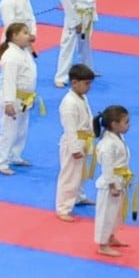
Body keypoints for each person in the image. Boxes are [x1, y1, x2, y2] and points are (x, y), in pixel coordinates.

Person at [0, 22, 40, 176]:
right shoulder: (11, 56)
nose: (29, 36)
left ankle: (15, 155)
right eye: (25, 33)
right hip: (13, 99)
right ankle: (1, 162)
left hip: (25, 98)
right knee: (8, 131)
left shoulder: (24, 51)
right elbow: (9, 81)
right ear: (14, 36)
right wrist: (8, 103)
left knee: (21, 130)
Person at [55, 63, 97, 222]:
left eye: (89, 83)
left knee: (80, 174)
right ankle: (63, 208)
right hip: (73, 142)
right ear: (74, 82)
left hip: (84, 140)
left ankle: (78, 196)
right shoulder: (69, 103)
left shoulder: (82, 97)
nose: (89, 87)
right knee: (69, 176)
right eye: (86, 83)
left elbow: (88, 118)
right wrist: (74, 148)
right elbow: (70, 128)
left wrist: (94, 132)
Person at [92, 104, 133, 257]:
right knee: (106, 215)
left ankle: (110, 236)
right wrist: (112, 185)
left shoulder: (117, 136)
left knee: (116, 214)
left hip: (120, 180)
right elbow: (107, 168)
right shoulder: (107, 144)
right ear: (114, 125)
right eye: (126, 122)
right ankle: (103, 244)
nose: (128, 125)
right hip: (110, 184)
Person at [54, 0, 97, 86]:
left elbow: (92, 1)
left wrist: (93, 16)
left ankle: (87, 70)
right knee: (68, 46)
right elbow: (66, 3)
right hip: (75, 18)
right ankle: (61, 77)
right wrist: (75, 22)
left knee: (85, 45)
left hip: (87, 17)